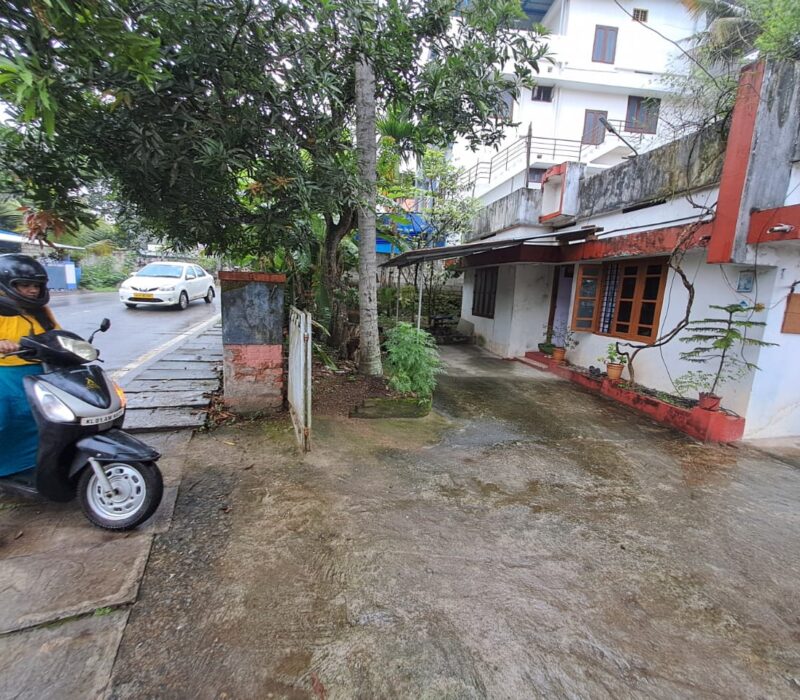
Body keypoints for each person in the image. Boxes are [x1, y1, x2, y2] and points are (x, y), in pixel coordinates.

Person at [0, 254, 59, 476]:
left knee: (40, 418)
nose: (33, 291)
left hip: (39, 372)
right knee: (7, 419)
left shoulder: (40, 310)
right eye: (25, 285)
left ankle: (33, 466)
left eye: (36, 286)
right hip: (5, 374)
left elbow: (56, 334)